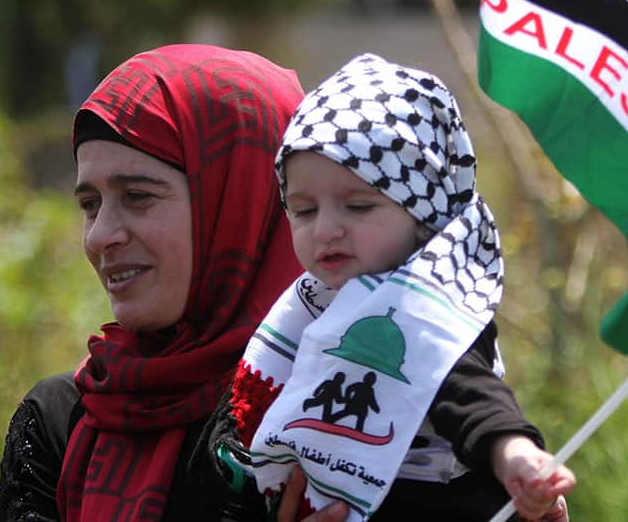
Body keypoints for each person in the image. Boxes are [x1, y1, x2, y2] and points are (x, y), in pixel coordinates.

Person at [203, 53, 576, 521]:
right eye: (304, 210)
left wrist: (515, 456)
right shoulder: (310, 303)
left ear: (425, 216)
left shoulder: (430, 307)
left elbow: (470, 397)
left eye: (357, 206)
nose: (326, 229)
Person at [0, 44, 348, 521]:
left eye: (137, 196)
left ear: (244, 203)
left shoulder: (353, 416)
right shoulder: (62, 423)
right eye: (90, 204)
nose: (100, 236)